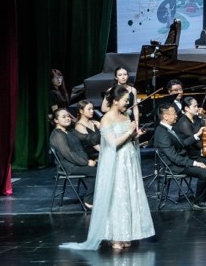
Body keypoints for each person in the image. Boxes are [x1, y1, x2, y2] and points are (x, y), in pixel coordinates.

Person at [61, 85, 153, 251]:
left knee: (129, 194)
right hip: (116, 163)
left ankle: (127, 234)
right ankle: (115, 236)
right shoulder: (106, 120)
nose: (127, 103)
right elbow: (113, 143)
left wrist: (136, 135)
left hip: (128, 160)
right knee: (117, 196)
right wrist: (129, 132)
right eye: (125, 100)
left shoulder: (125, 115)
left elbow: (128, 139)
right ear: (115, 101)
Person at [49, 106, 95, 179]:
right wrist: (86, 162)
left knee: (103, 166)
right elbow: (68, 153)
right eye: (64, 117)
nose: (68, 118)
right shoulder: (58, 135)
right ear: (56, 120)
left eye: (68, 116)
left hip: (79, 162)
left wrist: (102, 130)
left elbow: (86, 138)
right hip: (70, 167)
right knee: (99, 171)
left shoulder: (70, 131)